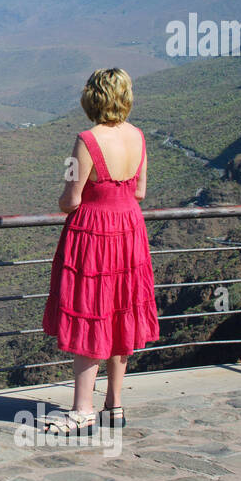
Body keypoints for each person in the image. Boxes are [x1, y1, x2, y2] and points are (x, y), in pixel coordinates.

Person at [40, 68, 160, 435]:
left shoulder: (86, 140)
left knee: (92, 312)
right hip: (129, 229)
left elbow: (70, 199)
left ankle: (82, 411)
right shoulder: (138, 137)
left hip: (94, 234)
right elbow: (139, 192)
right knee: (122, 310)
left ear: (92, 97)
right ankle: (115, 405)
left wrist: (75, 198)